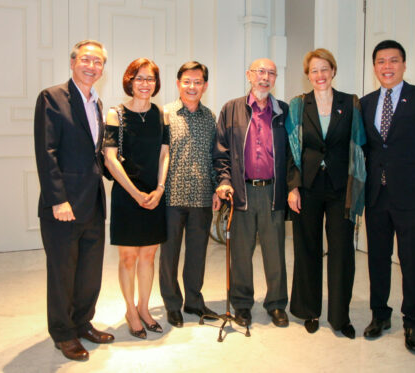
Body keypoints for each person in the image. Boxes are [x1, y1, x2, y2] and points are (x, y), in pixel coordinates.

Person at [360, 40, 415, 353]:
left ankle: (413, 322)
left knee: (412, 261)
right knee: (378, 259)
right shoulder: (366, 103)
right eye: (381, 61)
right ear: (374, 67)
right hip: (376, 196)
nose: (387, 66)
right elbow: (368, 148)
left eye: (393, 60)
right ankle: (380, 316)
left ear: (404, 65)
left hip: (411, 196)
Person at [34, 39, 114, 361]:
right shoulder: (52, 98)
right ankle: (63, 333)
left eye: (98, 62)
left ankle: (82, 322)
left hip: (93, 202)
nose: (92, 66)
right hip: (64, 206)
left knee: (90, 271)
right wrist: (58, 200)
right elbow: (46, 152)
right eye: (86, 60)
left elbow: (95, 153)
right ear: (72, 62)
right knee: (63, 272)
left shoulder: (96, 102)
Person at [285, 48, 366, 337]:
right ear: (307, 75)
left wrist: (357, 189)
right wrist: (292, 187)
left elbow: (359, 148)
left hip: (340, 189)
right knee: (307, 248)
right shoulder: (297, 105)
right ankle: (309, 310)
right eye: (314, 70)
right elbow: (290, 151)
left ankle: (340, 317)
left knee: (342, 250)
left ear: (333, 71)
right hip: (306, 187)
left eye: (324, 69)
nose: (319, 75)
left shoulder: (351, 103)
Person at [213, 58, 290, 328]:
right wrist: (224, 180)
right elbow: (221, 151)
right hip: (241, 191)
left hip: (273, 192)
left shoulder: (284, 111)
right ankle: (242, 304)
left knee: (275, 251)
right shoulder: (231, 109)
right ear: (249, 75)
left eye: (271, 73)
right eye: (260, 72)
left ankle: (277, 304)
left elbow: (292, 154)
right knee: (241, 253)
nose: (265, 78)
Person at [103, 58, 170, 339]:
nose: (145, 84)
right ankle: (130, 310)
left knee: (149, 255)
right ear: (129, 81)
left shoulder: (161, 114)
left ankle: (144, 307)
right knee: (128, 257)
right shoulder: (115, 114)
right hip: (126, 194)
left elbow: (164, 153)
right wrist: (135, 193)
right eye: (139, 78)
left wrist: (160, 188)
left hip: (154, 194)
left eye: (150, 79)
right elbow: (109, 159)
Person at [159, 61, 221, 327]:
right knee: (169, 254)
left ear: (205, 86)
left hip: (202, 196)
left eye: (198, 82)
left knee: (197, 253)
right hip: (171, 197)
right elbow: (158, 156)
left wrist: (218, 185)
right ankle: (172, 304)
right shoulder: (165, 113)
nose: (192, 86)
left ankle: (194, 301)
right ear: (178, 83)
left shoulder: (210, 117)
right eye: (187, 81)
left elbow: (217, 155)